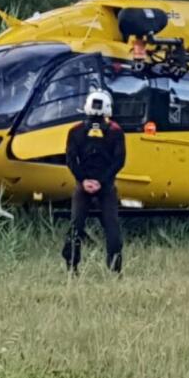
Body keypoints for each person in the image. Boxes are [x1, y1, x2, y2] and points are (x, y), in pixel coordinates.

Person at [62, 89, 127, 274]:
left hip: (84, 186)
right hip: (106, 187)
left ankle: (71, 267)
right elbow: (119, 161)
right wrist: (102, 181)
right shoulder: (115, 131)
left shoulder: (75, 131)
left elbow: (70, 159)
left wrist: (83, 181)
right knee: (111, 226)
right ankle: (115, 269)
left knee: (76, 225)